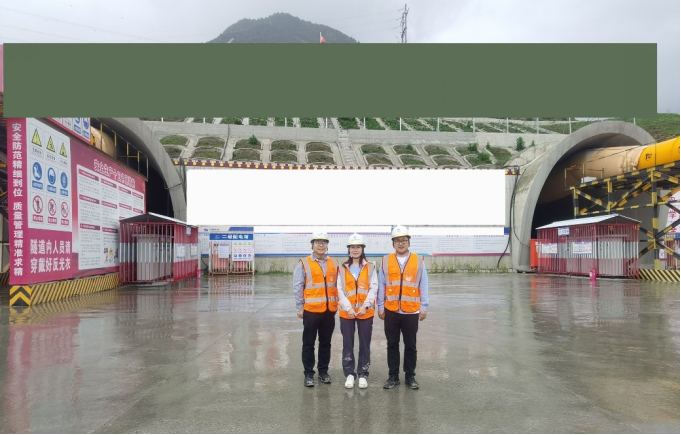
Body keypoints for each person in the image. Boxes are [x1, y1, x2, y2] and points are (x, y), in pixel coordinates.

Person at [377, 225, 429, 390]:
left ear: (409, 242)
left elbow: (423, 284)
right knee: (392, 344)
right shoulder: (386, 260)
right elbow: (382, 285)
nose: (401, 243)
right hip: (391, 310)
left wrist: (424, 306)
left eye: (404, 240)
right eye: (397, 240)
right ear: (393, 242)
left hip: (411, 310)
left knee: (410, 345)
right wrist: (380, 306)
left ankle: (410, 376)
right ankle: (393, 376)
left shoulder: (418, 260)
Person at [293, 231, 340, 387]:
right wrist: (299, 307)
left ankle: (323, 372)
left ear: (327, 245)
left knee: (326, 343)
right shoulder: (304, 263)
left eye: (324, 242)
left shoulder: (334, 262)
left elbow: (339, 285)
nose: (321, 245)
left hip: (329, 311)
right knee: (308, 344)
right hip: (311, 311)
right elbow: (298, 286)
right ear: (312, 245)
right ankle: (308, 374)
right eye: (318, 242)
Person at [337, 233, 378, 389]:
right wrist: (348, 308)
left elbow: (374, 288)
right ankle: (349, 374)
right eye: (352, 247)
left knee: (364, 344)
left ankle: (363, 374)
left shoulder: (370, 267)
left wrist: (365, 306)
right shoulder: (342, 268)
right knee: (347, 344)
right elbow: (339, 289)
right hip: (347, 313)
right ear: (348, 249)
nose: (355, 250)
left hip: (365, 312)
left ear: (362, 249)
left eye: (358, 247)